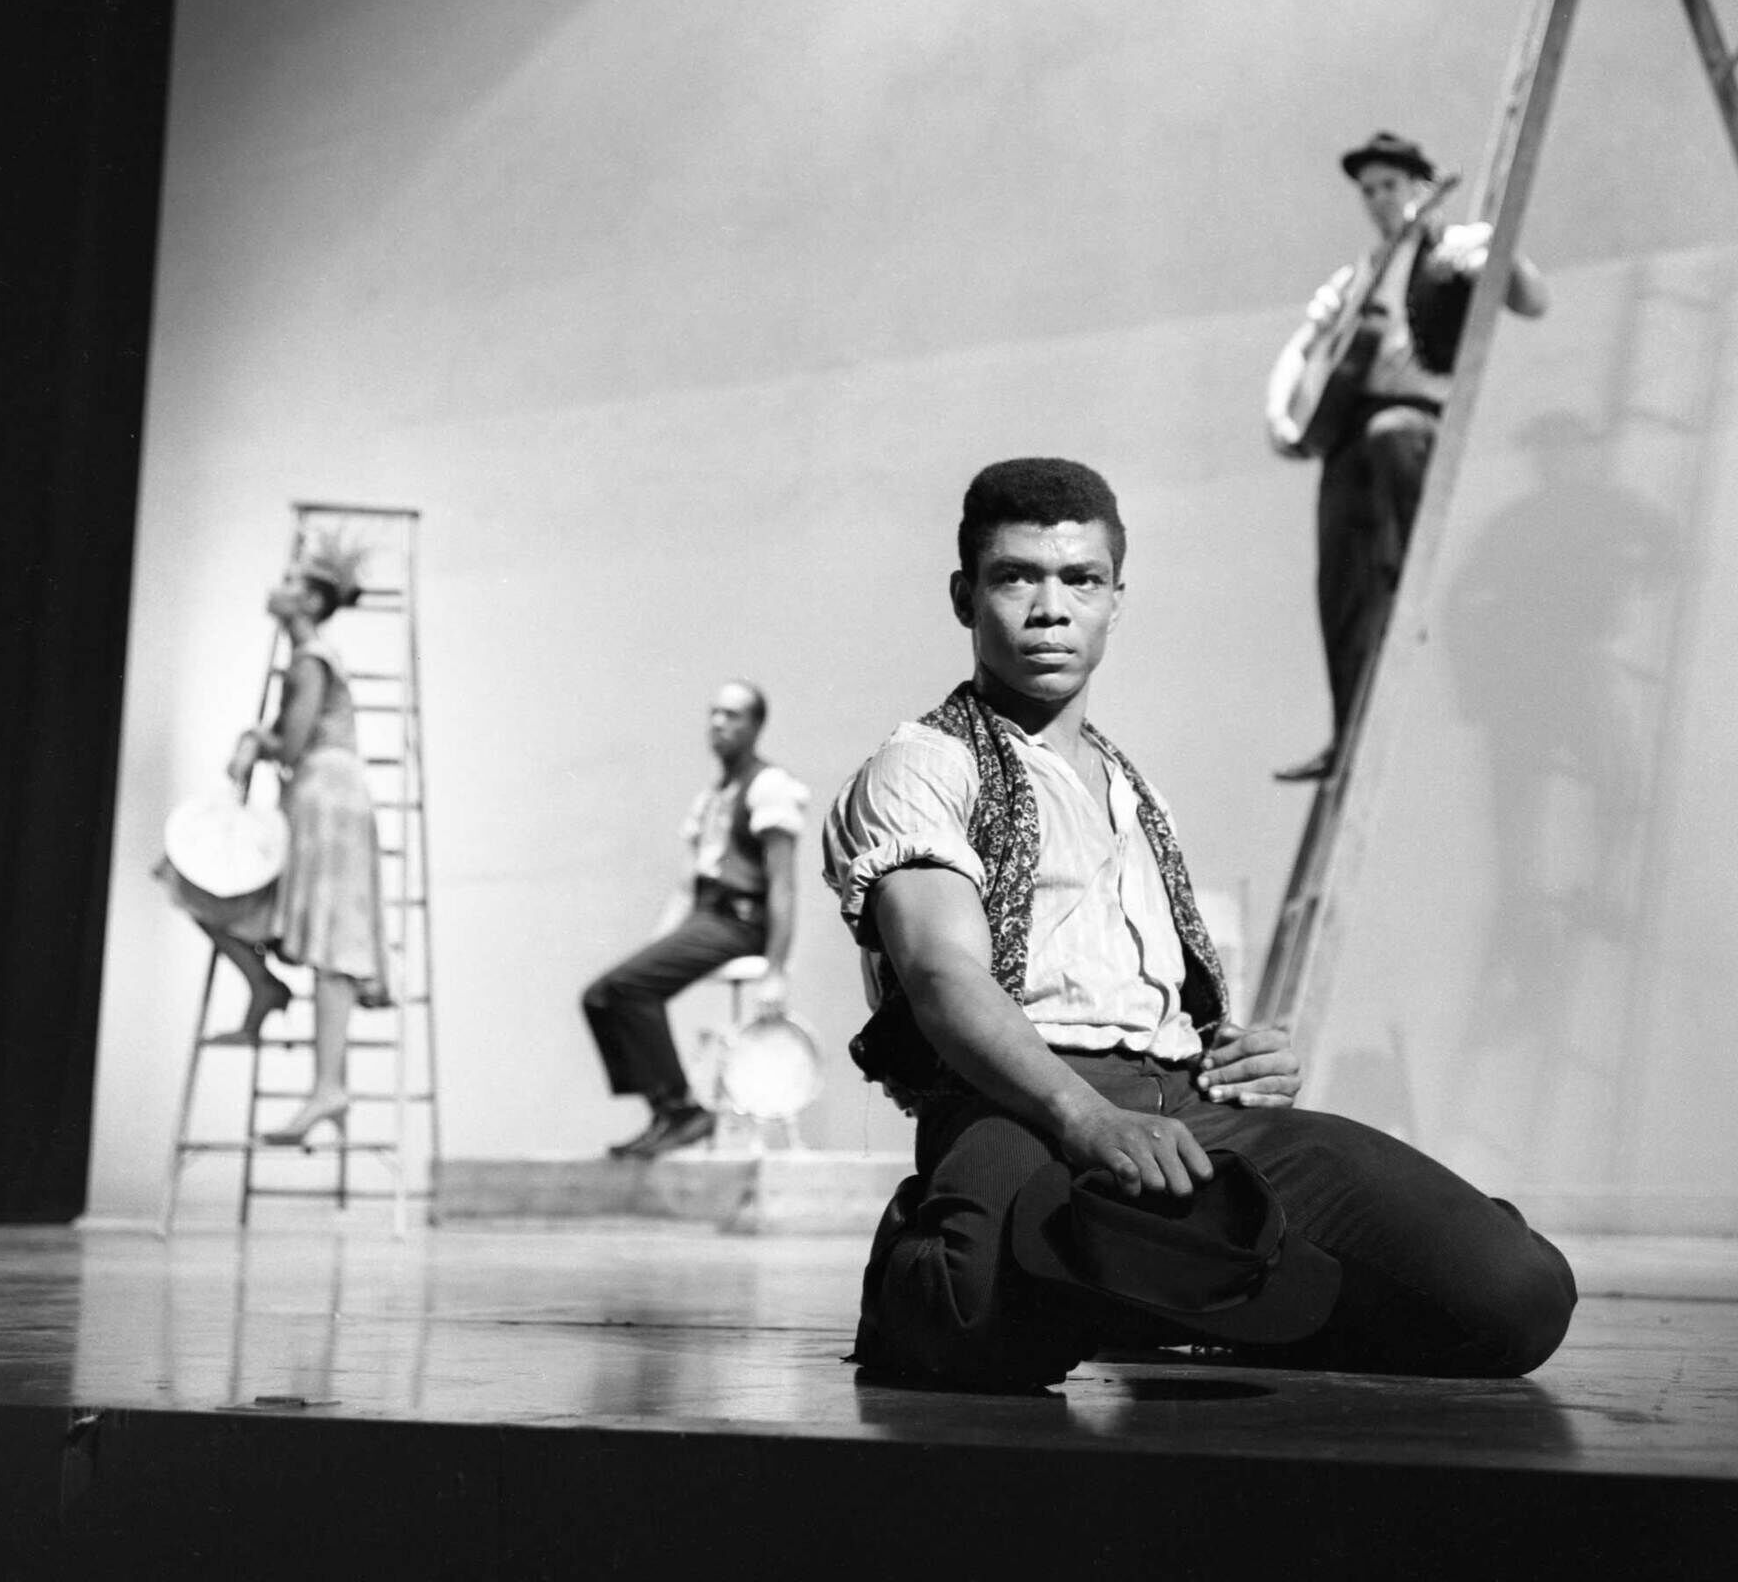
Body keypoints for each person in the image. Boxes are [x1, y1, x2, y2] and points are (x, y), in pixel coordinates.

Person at [821, 457, 1575, 1390]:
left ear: (1114, 600)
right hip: (1024, 1095)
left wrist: (1243, 1050)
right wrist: (1085, 1118)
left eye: (1080, 580)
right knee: (974, 1327)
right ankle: (993, 1250)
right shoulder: (924, 764)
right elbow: (943, 977)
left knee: (1516, 1299)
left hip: (1185, 1106)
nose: (1050, 608)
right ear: (963, 596)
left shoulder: (1136, 790)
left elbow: (1158, 991)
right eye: (1016, 576)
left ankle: (1163, 1282)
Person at [1265, 130, 1549, 781]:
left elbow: (1532, 302)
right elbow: (1302, 345)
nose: (1378, 201)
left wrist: (1502, 255)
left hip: (1413, 418)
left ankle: (1409, 590)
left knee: (1392, 437)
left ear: (1420, 187)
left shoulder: (1456, 248)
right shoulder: (1359, 273)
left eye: (1389, 186)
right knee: (1337, 577)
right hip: (1347, 433)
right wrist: (1280, 415)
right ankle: (1346, 734)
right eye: (1368, 191)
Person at [154, 529, 392, 1144]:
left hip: (327, 803)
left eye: (291, 582)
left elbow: (290, 744)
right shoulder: (307, 656)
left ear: (312, 601)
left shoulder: (313, 658)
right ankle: (264, 986)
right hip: (312, 799)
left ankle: (328, 1084)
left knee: (332, 941)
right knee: (192, 882)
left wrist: (252, 741)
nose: (276, 589)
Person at [582, 683, 809, 1159]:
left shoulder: (768, 786)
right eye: (714, 714)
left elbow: (784, 885)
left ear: (755, 725)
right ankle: (668, 1112)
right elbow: (686, 889)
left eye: (733, 715)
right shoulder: (712, 798)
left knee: (627, 990)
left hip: (740, 922)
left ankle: (684, 1111)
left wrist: (775, 970)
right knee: (605, 994)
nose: (719, 724)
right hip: (706, 918)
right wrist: (653, 952)